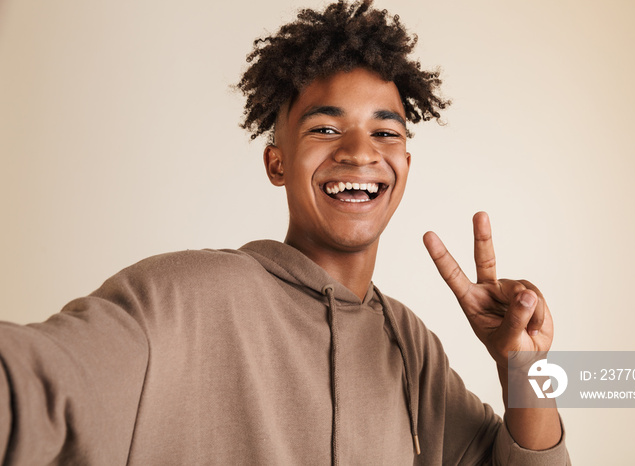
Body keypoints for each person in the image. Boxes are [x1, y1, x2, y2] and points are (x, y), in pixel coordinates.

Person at [0, 1, 570, 464]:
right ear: (277, 163)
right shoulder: (183, 296)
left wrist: (526, 372)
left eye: (385, 133)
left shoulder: (411, 347)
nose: (359, 152)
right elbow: (41, 382)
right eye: (325, 127)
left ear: (405, 167)